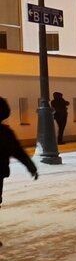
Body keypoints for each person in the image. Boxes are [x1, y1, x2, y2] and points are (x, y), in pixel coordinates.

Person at [1, 97, 38, 245]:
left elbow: (18, 151)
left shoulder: (5, 133)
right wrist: (31, 167)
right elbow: (18, 152)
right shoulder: (5, 133)